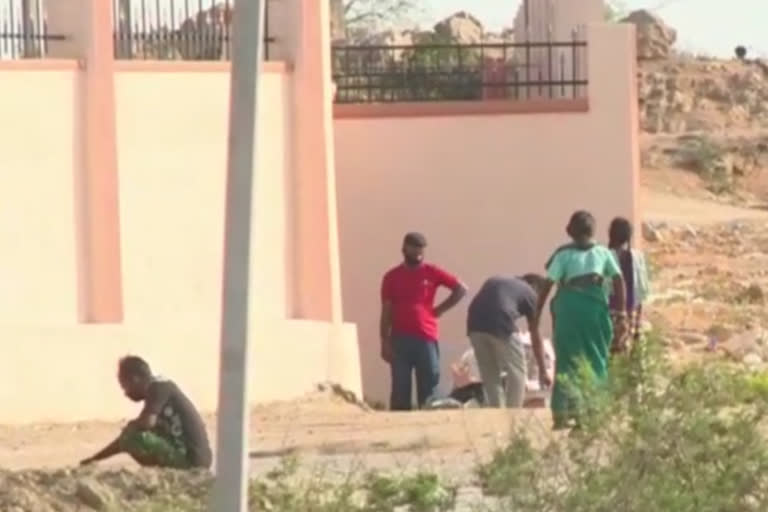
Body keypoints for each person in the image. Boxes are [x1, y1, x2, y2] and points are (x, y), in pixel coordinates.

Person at [534, 211, 627, 429]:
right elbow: (618, 280)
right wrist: (621, 312)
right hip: (594, 309)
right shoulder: (603, 253)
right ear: (593, 231)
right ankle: (591, 411)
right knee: (596, 356)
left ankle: (562, 413)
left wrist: (536, 314)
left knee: (566, 359)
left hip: (568, 309)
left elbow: (548, 284)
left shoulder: (563, 255)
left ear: (570, 232)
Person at [380, 232, 468, 411]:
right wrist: (384, 341)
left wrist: (440, 310)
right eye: (414, 247)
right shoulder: (391, 277)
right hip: (400, 339)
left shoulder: (432, 272)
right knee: (400, 390)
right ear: (404, 249)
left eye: (421, 249)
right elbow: (386, 311)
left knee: (429, 389)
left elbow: (460, 289)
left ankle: (427, 431)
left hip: (426, 338)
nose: (418, 252)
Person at [80, 356, 213, 469]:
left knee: (135, 435)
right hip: (196, 458)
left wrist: (131, 427)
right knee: (136, 432)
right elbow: (121, 443)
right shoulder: (159, 390)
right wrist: (95, 459)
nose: (126, 393)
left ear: (135, 379)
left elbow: (145, 424)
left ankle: (166, 472)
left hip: (192, 462)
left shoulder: (158, 388)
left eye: (125, 386)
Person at [466, 274, 550, 408]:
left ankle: (497, 411)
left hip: (474, 324)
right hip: (501, 322)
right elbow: (535, 334)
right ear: (536, 288)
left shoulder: (496, 279)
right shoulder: (531, 293)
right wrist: (543, 370)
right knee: (517, 370)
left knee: (489, 372)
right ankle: (513, 411)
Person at [608, 217, 651, 353]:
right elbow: (642, 290)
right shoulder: (638, 258)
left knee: (611, 355)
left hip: (609, 313)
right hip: (631, 312)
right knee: (628, 355)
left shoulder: (605, 256)